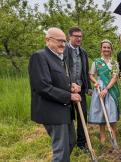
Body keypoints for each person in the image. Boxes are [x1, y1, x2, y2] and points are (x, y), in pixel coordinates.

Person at [28, 27, 82, 162]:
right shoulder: (39, 57)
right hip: (52, 111)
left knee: (71, 141)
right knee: (61, 150)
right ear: (48, 40)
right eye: (59, 41)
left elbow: (59, 80)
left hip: (64, 110)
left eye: (64, 41)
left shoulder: (59, 58)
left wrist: (71, 86)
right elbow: (42, 87)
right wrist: (69, 96)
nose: (63, 44)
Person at [64, 27, 91, 149]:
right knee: (67, 116)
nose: (79, 38)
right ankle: (68, 141)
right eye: (76, 36)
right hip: (66, 89)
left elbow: (85, 71)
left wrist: (88, 87)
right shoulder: (64, 50)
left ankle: (81, 143)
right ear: (70, 37)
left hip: (80, 89)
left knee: (83, 115)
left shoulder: (83, 52)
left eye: (80, 36)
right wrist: (69, 85)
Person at [88, 39, 120, 144]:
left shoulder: (114, 63)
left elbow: (115, 77)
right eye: (104, 47)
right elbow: (91, 75)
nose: (106, 49)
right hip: (99, 89)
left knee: (112, 113)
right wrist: (95, 82)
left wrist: (107, 89)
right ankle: (102, 137)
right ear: (101, 48)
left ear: (111, 49)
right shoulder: (96, 62)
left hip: (111, 89)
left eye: (108, 47)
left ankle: (113, 138)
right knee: (102, 113)